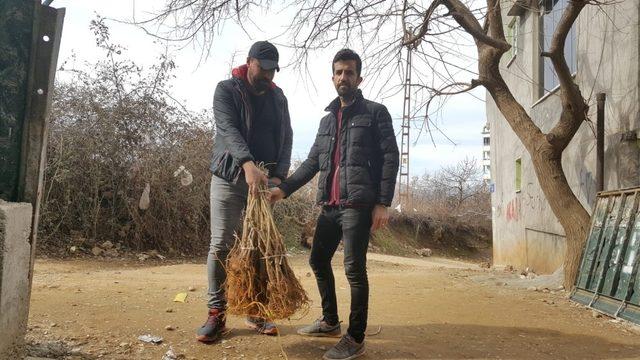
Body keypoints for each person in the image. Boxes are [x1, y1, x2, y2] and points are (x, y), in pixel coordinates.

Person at [270, 48, 399, 360]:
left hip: (358, 204)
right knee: (317, 260)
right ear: (332, 77)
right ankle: (330, 321)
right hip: (330, 205)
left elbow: (390, 157)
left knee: (354, 269)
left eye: (350, 72)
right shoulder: (327, 122)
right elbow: (313, 162)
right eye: (339, 72)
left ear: (359, 77)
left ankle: (355, 338)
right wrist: (284, 189)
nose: (344, 77)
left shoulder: (375, 112)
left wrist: (382, 202)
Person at [196, 41, 293, 343]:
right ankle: (217, 314)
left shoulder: (278, 97)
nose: (266, 75)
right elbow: (228, 128)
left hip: (265, 186)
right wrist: (247, 164)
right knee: (221, 244)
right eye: (262, 68)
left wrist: (278, 177)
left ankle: (255, 308)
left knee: (260, 248)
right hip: (229, 177)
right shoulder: (227, 90)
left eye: (271, 70)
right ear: (249, 61)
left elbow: (286, 136)